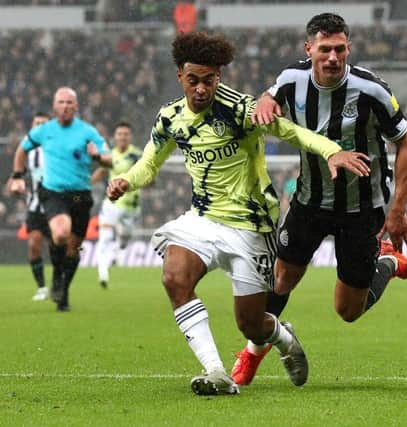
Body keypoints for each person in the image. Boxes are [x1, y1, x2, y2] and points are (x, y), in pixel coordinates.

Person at [106, 31, 370, 396]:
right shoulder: (170, 118)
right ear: (180, 76)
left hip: (251, 225)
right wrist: (125, 180)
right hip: (203, 218)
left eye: (209, 80)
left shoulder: (242, 111)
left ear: (219, 77)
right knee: (174, 278)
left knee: (251, 325)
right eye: (194, 80)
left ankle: (281, 335)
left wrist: (330, 151)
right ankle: (216, 371)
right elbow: (148, 165)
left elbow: (293, 132)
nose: (201, 89)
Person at [233, 13, 407, 386]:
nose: (332, 57)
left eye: (339, 49)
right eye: (324, 49)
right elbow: (269, 95)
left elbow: (406, 143)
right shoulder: (292, 80)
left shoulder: (372, 91)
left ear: (348, 48)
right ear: (309, 49)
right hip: (309, 202)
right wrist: (266, 100)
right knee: (281, 279)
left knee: (348, 310)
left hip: (361, 209)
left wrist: (398, 209)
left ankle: (385, 261)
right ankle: (253, 353)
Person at [9, 87, 112, 311]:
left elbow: (109, 159)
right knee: (61, 233)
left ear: (76, 106)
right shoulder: (44, 130)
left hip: (80, 196)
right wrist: (17, 176)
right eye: (61, 102)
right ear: (55, 106)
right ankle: (56, 276)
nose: (65, 107)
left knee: (73, 250)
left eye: (69, 103)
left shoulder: (87, 131)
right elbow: (21, 149)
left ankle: (63, 290)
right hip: (53, 192)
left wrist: (97, 156)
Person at [91, 122, 142, 289]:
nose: (122, 137)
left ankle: (119, 248)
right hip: (112, 204)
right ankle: (103, 273)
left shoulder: (137, 155)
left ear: (130, 137)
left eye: (125, 134)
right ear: (115, 137)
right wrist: (87, 183)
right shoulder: (110, 156)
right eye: (119, 134)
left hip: (131, 207)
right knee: (104, 238)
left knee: (125, 237)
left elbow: (149, 176)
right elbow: (102, 172)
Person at [11, 112, 51, 301]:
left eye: (44, 123)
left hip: (57, 206)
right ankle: (42, 287)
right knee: (34, 244)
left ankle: (59, 284)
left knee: (59, 248)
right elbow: (15, 178)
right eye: (37, 123)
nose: (40, 126)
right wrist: (15, 186)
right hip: (35, 206)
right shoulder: (26, 152)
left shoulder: (58, 149)